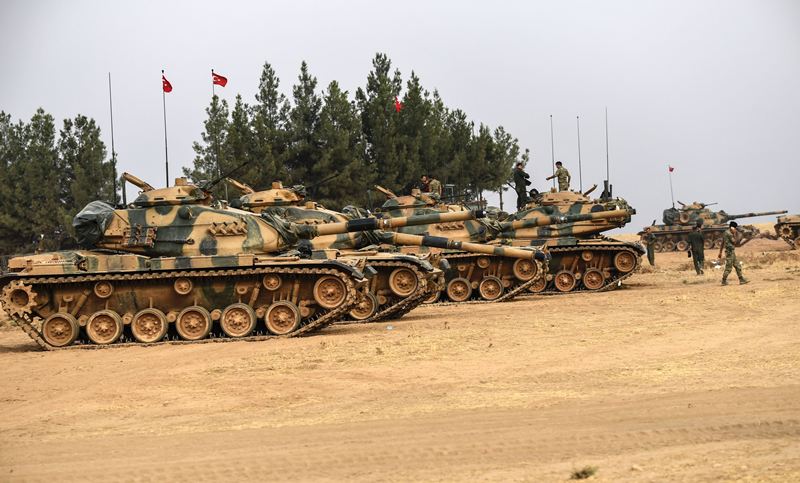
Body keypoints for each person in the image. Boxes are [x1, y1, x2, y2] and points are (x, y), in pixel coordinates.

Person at [717, 221, 749, 286]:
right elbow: (735, 242)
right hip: (730, 252)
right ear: (732, 227)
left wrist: (720, 252)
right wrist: (735, 234)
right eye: (735, 228)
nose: (735, 229)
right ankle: (723, 281)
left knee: (737, 265)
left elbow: (722, 243)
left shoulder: (725, 233)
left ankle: (741, 279)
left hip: (731, 252)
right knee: (728, 267)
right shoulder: (729, 234)